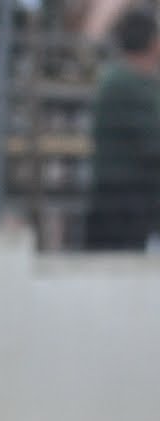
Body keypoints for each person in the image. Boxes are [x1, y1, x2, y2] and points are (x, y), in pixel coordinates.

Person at [85, 8, 160, 251]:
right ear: (152, 42)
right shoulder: (125, 82)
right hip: (123, 199)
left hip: (133, 198)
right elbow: (152, 140)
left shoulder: (132, 80)